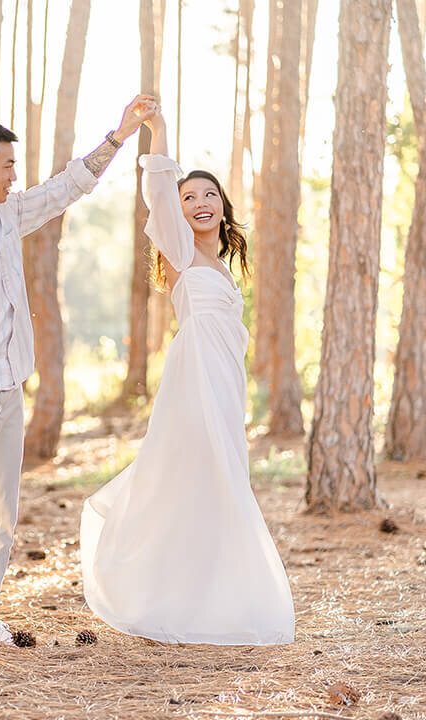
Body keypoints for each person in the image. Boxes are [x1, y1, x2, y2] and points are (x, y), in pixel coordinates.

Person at [0, 96, 157, 645]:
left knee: (2, 505)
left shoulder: (5, 216)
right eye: (7, 166)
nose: (14, 177)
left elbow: (66, 186)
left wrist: (117, 137)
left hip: (9, 388)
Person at [79, 106, 296, 645]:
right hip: (193, 381)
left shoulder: (222, 265)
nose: (200, 203)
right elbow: (156, 192)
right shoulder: (177, 250)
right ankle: (158, 589)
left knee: (220, 479)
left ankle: (212, 593)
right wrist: (159, 133)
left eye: (208, 196)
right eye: (189, 198)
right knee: (197, 474)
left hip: (224, 384)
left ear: (222, 208)